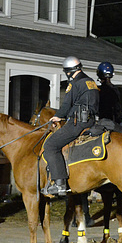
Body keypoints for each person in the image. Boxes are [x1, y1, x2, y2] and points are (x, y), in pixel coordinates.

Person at [41, 56, 99, 196]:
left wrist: (58, 116)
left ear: (69, 71)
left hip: (77, 122)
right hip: (92, 121)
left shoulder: (75, 83)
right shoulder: (91, 82)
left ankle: (60, 183)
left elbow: (67, 104)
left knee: (50, 146)